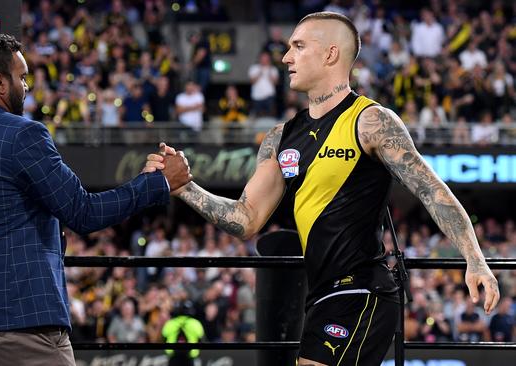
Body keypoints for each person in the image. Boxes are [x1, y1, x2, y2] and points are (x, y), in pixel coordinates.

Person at [162, 12, 500, 365]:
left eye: (298, 46)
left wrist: (475, 258)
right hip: (321, 295)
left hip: (362, 290)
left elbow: (432, 190)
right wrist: (184, 187)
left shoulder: (370, 120)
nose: (285, 58)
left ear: (330, 54)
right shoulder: (280, 137)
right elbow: (245, 218)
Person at [0, 33, 191, 366]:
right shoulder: (22, 134)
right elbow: (83, 212)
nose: (27, 86)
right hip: (16, 320)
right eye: (22, 76)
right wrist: (158, 184)